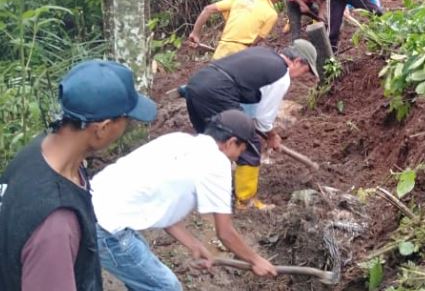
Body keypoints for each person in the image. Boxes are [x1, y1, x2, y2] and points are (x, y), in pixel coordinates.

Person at [0, 60, 157, 291]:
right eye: (126, 121)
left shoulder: (37, 152)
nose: (128, 127)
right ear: (102, 129)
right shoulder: (57, 223)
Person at [93, 110, 278, 290]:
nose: (238, 157)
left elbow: (164, 208)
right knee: (166, 287)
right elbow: (225, 233)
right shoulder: (217, 162)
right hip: (107, 229)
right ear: (230, 143)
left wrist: (193, 245)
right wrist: (256, 260)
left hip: (90, 203)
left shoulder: (177, 140)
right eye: (241, 150)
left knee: (146, 282)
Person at [184, 42, 319, 210]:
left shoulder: (264, 53)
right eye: (305, 71)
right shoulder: (281, 75)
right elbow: (263, 119)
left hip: (197, 84)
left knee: (212, 141)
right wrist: (271, 136)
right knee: (248, 143)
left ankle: (192, 186)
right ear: (297, 61)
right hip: (217, 92)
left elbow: (247, 98)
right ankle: (246, 202)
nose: (302, 76)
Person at [188, 0, 294, 59]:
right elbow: (255, 42)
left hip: (220, 52)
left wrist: (195, 33)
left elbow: (208, 9)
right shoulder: (271, 14)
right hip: (239, 57)